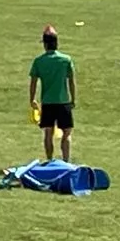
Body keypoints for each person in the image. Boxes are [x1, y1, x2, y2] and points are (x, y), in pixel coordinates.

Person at [28, 29, 77, 162]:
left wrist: (32, 99)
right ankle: (66, 161)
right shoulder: (66, 60)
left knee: (48, 133)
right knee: (66, 133)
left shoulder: (39, 61)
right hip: (63, 101)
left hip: (47, 102)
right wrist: (73, 99)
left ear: (45, 44)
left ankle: (50, 160)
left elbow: (33, 82)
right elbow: (71, 81)